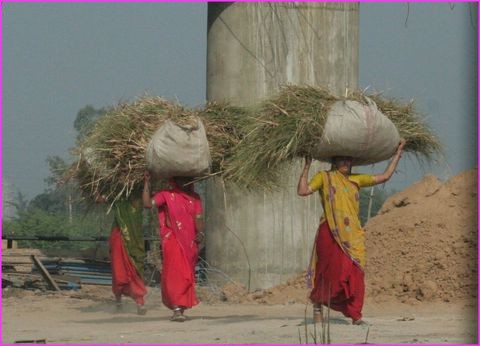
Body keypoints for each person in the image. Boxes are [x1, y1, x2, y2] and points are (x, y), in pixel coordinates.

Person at [297, 139, 406, 325]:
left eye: (348, 160)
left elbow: (385, 176)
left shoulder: (357, 179)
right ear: (334, 162)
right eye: (341, 160)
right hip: (330, 233)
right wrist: (307, 166)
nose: (346, 163)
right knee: (328, 273)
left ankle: (356, 315)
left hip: (353, 236)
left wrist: (398, 153)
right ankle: (317, 305)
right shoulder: (324, 177)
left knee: (354, 273)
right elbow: (303, 191)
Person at [143, 172, 205, 322]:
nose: (186, 182)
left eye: (188, 179)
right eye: (182, 179)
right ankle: (176, 309)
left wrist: (201, 233)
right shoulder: (166, 195)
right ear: (175, 180)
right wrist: (146, 183)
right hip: (173, 241)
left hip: (190, 243)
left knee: (186, 275)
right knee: (175, 273)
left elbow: (199, 218)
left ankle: (181, 308)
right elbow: (147, 204)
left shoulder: (195, 198)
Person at [97, 194, 147, 315]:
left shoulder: (142, 198)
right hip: (119, 237)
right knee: (119, 271)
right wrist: (99, 194)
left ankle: (139, 303)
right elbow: (99, 199)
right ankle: (118, 302)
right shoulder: (117, 198)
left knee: (134, 271)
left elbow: (150, 202)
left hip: (135, 241)